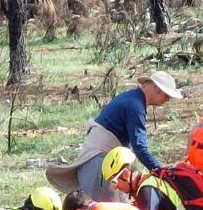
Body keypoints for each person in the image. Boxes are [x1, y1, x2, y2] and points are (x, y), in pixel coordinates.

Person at [46, 71, 183, 201]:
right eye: (166, 95)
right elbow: (140, 148)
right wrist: (160, 172)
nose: (167, 100)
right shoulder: (135, 107)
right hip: (100, 165)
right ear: (156, 88)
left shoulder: (130, 97)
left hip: (101, 163)